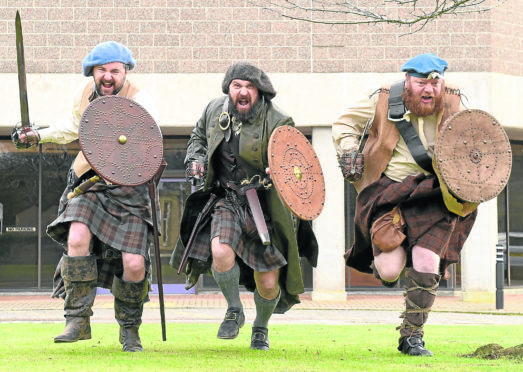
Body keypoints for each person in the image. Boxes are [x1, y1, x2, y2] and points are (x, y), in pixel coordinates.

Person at [16, 41, 160, 352]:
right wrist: (37, 135)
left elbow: (149, 145)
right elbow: (71, 127)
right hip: (89, 182)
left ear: (125, 73)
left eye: (115, 71)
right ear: (92, 73)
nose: (108, 76)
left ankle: (130, 329)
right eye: (102, 70)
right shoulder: (84, 95)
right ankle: (77, 319)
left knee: (134, 264)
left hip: (129, 187)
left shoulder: (141, 101)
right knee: (77, 236)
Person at [332, 53, 478, 356]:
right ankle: (396, 263)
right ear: (408, 81)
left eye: (435, 84)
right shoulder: (383, 98)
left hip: (436, 194)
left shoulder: (455, 102)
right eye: (421, 82)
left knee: (427, 261)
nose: (429, 90)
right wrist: (348, 149)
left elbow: (476, 142)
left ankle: (412, 336)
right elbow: (344, 123)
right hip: (389, 192)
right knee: (388, 269)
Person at [170, 61, 318, 351]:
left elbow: (297, 164)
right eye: (237, 85)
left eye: (249, 86)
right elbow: (198, 138)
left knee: (268, 281)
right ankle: (234, 309)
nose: (243, 92)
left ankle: (260, 328)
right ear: (228, 89)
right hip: (226, 198)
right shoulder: (214, 109)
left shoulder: (279, 120)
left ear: (260, 91)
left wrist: (281, 172)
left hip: (266, 204)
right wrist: (196, 159)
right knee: (220, 249)